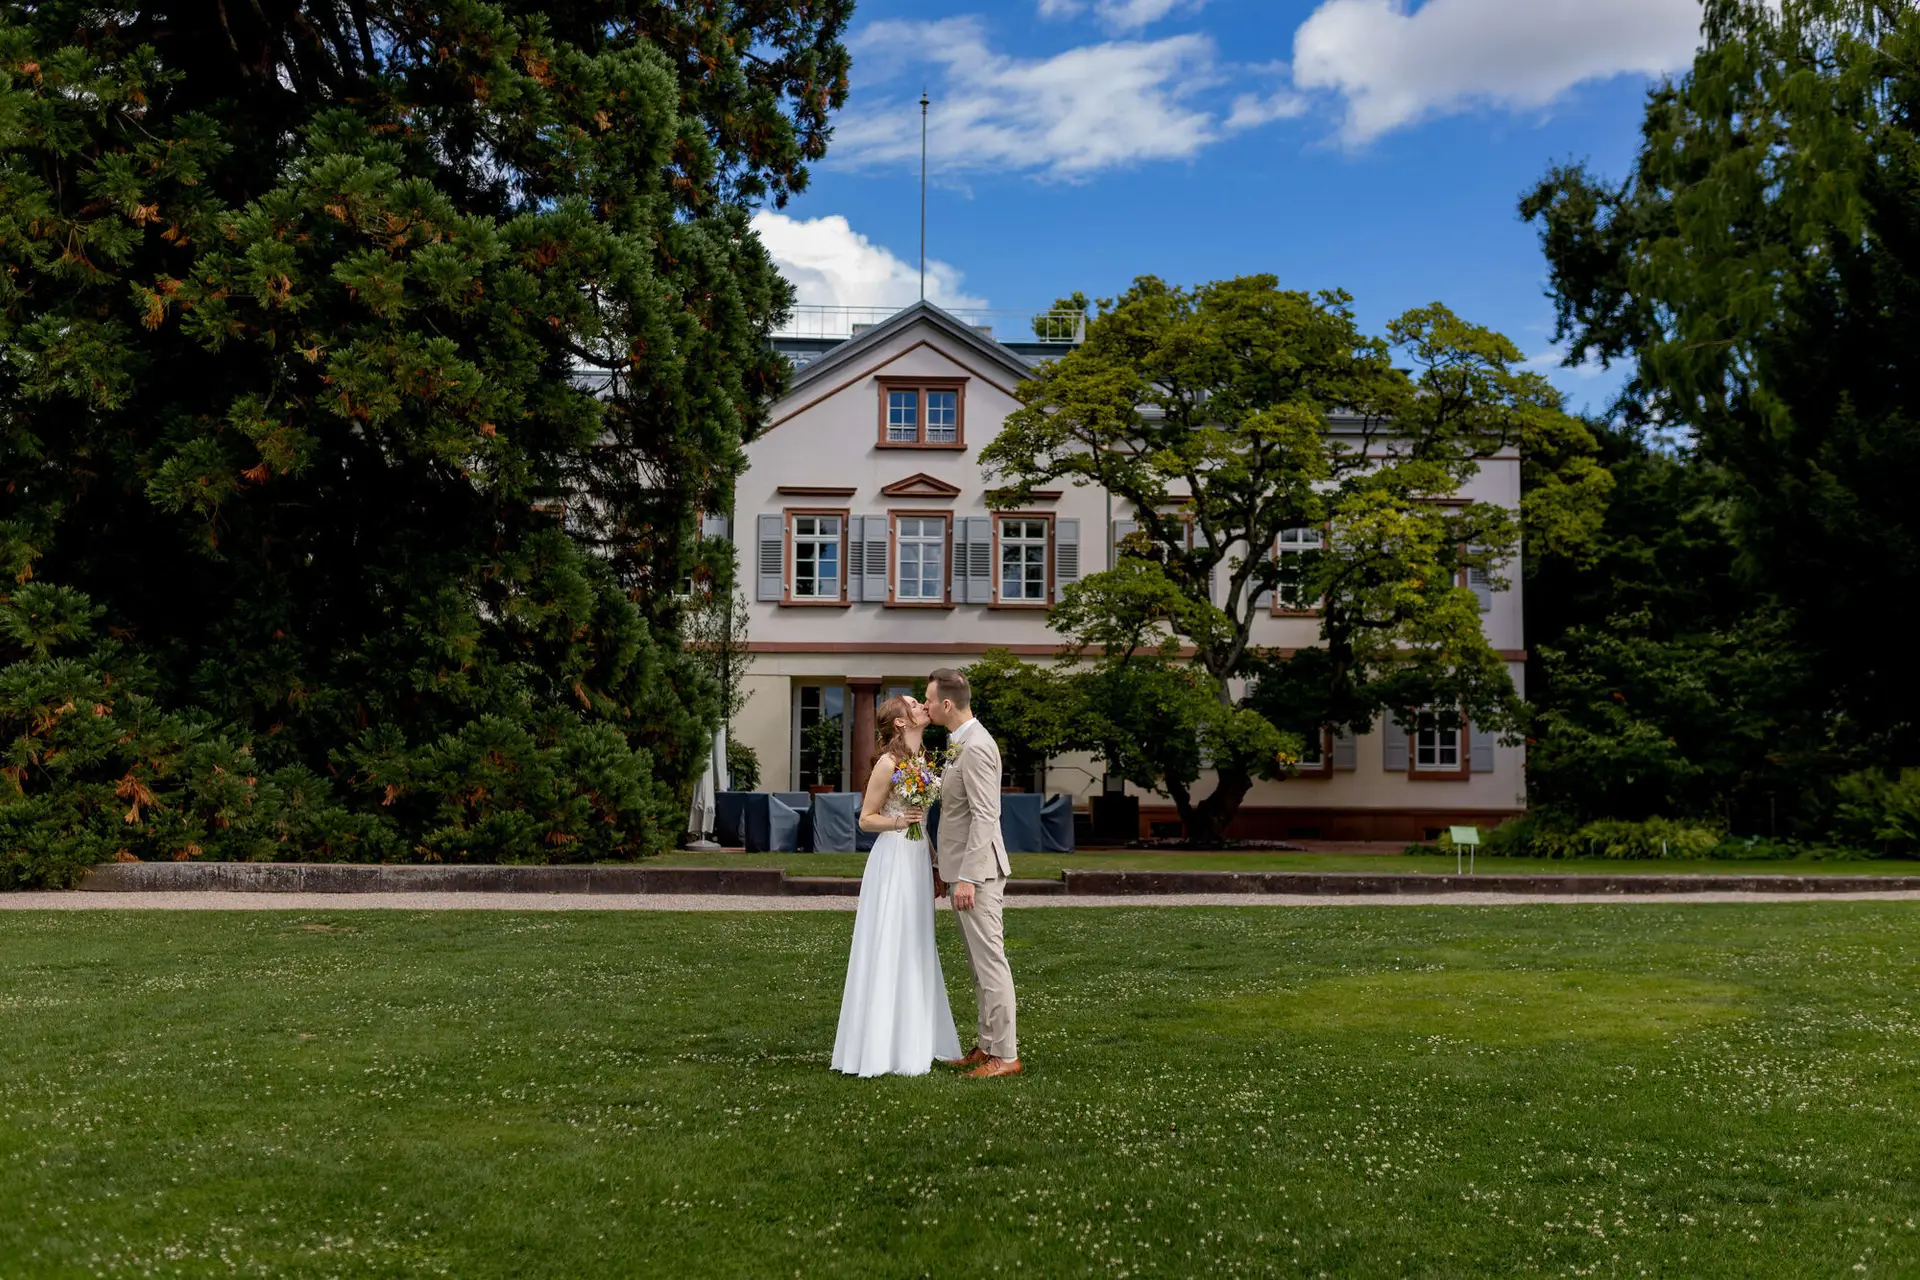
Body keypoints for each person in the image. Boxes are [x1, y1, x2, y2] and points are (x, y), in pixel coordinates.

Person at [830, 694, 963, 1076]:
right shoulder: (888, 763)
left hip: (918, 856)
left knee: (917, 940)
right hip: (893, 858)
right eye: (913, 704)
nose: (923, 705)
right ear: (901, 722)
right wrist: (898, 822)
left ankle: (917, 1036)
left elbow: (921, 819)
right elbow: (866, 819)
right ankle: (881, 1045)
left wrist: (935, 862)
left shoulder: (922, 761)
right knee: (891, 939)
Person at [923, 667, 1022, 1079]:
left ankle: (1007, 1055)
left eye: (928, 700)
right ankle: (987, 1046)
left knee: (991, 962)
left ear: (947, 704)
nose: (925, 706)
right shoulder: (956, 743)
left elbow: (985, 816)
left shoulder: (977, 746)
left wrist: (968, 877)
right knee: (978, 965)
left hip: (977, 873)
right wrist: (943, 867)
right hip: (961, 868)